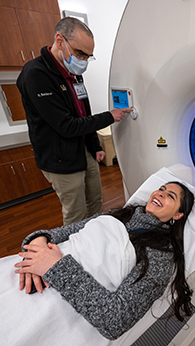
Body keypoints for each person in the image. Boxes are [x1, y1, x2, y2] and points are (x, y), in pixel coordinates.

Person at [0, 182, 195, 345]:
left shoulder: (161, 254)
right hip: (30, 266)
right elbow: (62, 232)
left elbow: (115, 320)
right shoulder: (119, 213)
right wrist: (37, 242)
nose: (159, 193)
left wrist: (54, 266)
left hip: (57, 296)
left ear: (178, 215)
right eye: (161, 188)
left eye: (170, 196)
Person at [17, 17, 131, 225]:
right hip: (60, 157)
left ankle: (93, 239)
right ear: (59, 41)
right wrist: (109, 116)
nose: (84, 61)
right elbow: (66, 126)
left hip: (83, 150)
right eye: (80, 53)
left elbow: (83, 111)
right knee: (75, 213)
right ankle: (75, 252)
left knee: (95, 200)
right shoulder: (36, 75)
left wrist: (95, 145)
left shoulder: (73, 73)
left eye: (88, 56)